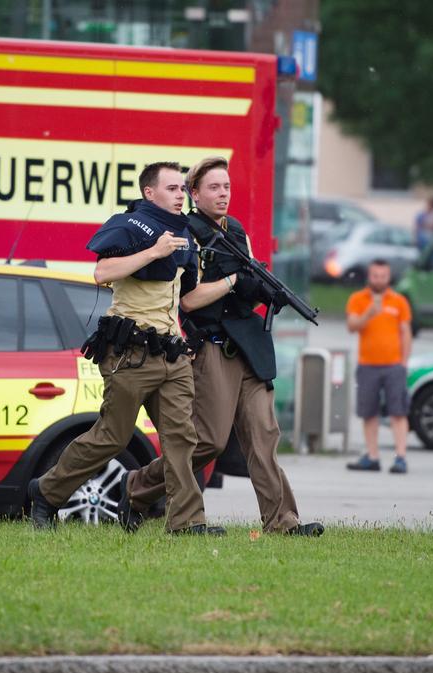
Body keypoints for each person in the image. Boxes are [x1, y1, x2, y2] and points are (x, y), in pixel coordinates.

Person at [121, 157, 323, 537]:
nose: (223, 194)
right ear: (194, 194)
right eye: (213, 187)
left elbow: (246, 281)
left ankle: (283, 521)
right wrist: (233, 281)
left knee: (264, 438)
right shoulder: (187, 234)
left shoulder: (237, 231)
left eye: (227, 187)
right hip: (212, 346)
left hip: (249, 346)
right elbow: (190, 300)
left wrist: (261, 290)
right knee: (207, 440)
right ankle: (137, 487)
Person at [28, 162, 221, 535]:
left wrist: (231, 283)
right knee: (112, 436)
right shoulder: (128, 224)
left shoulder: (186, 236)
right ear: (150, 192)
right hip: (130, 353)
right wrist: (153, 251)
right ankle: (47, 492)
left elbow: (187, 297)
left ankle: (186, 522)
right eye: (172, 188)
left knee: (182, 438)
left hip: (172, 354)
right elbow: (102, 272)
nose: (181, 195)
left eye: (183, 189)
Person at [345, 260, 412, 474]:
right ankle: (372, 456)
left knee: (398, 412)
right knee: (369, 412)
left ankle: (400, 456)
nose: (379, 280)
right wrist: (369, 313)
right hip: (368, 365)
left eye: (383, 276)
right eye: (375, 276)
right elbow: (352, 326)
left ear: (388, 277)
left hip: (393, 365)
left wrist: (404, 361)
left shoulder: (399, 301)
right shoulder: (358, 299)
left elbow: (405, 331)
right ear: (369, 276)